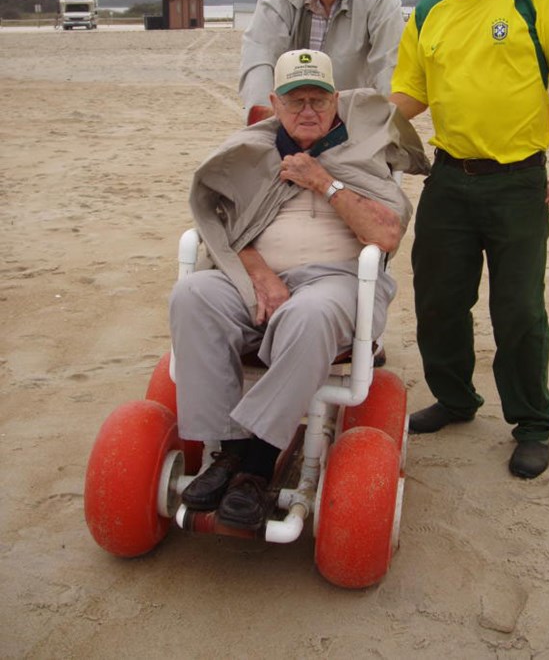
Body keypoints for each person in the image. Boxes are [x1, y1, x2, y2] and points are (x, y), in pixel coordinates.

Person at [170, 49, 428, 530]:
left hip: (335, 283)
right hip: (255, 281)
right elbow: (218, 225)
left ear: (335, 101)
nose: (307, 111)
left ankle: (257, 463)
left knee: (309, 314)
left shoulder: (359, 155)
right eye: (295, 100)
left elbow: (387, 235)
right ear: (274, 103)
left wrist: (323, 182)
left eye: (317, 99)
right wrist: (259, 273)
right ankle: (225, 453)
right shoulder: (253, 153)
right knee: (192, 295)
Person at [390, 0, 549, 479]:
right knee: (439, 301)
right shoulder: (426, 13)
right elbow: (410, 95)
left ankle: (532, 423)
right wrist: (351, 117)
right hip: (449, 179)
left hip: (519, 181)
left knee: (519, 309)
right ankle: (455, 400)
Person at [239, 0, 405, 124]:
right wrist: (264, 117)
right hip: (294, 115)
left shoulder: (380, 0)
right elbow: (258, 57)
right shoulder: (279, 0)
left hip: (352, 115)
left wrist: (384, 120)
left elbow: (389, 64)